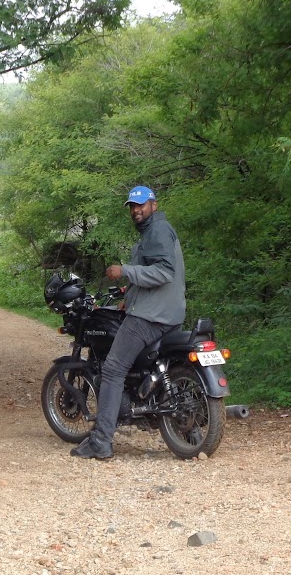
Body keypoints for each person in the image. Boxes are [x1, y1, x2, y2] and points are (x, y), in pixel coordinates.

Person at [71, 185, 185, 460]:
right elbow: (153, 275)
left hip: (151, 317)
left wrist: (124, 271)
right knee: (144, 367)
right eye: (133, 206)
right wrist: (129, 298)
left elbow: (164, 272)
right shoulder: (154, 232)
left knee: (112, 368)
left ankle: (101, 440)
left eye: (142, 204)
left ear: (154, 205)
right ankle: (176, 426)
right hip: (170, 313)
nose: (136, 210)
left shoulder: (157, 231)